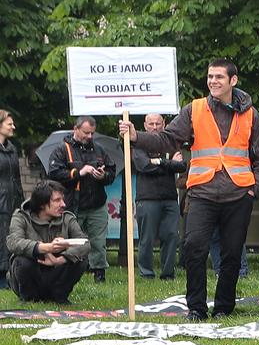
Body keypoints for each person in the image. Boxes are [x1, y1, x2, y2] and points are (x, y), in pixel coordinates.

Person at [121, 59, 259, 320]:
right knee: (194, 248)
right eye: (210, 76)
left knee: (232, 254)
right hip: (202, 193)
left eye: (219, 77)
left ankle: (224, 308)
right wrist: (136, 137)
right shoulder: (195, 109)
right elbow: (167, 138)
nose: (213, 81)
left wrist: (253, 191)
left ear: (232, 81)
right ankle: (197, 308)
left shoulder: (251, 115)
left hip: (239, 194)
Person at [47, 115, 116, 283]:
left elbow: (111, 172)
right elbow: (54, 174)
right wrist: (79, 172)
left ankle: (99, 273)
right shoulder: (62, 149)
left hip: (97, 203)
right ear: (75, 129)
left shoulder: (99, 149)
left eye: (92, 133)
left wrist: (103, 176)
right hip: (72, 204)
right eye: (86, 132)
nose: (90, 136)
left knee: (98, 242)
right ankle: (68, 271)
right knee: (72, 241)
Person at [6, 181, 90, 302]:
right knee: (22, 261)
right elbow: (13, 242)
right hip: (33, 272)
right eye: (57, 200)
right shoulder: (21, 217)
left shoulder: (67, 218)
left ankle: (59, 295)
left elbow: (85, 243)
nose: (63, 204)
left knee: (81, 259)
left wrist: (61, 258)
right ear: (42, 204)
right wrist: (46, 248)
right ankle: (29, 298)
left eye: (63, 199)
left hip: (56, 272)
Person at [131, 112, 185, 281]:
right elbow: (144, 166)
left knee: (171, 236)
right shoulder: (137, 144)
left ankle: (168, 273)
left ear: (164, 124)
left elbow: (182, 166)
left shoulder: (170, 143)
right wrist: (169, 164)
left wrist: (159, 162)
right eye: (151, 124)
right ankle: (146, 273)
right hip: (147, 198)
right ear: (145, 126)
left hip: (170, 198)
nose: (154, 127)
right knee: (146, 239)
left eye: (158, 123)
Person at [0, 110, 22, 290]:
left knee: (9, 238)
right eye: (9, 124)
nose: (13, 127)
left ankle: (8, 275)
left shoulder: (12, 148)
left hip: (12, 200)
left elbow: (16, 177)